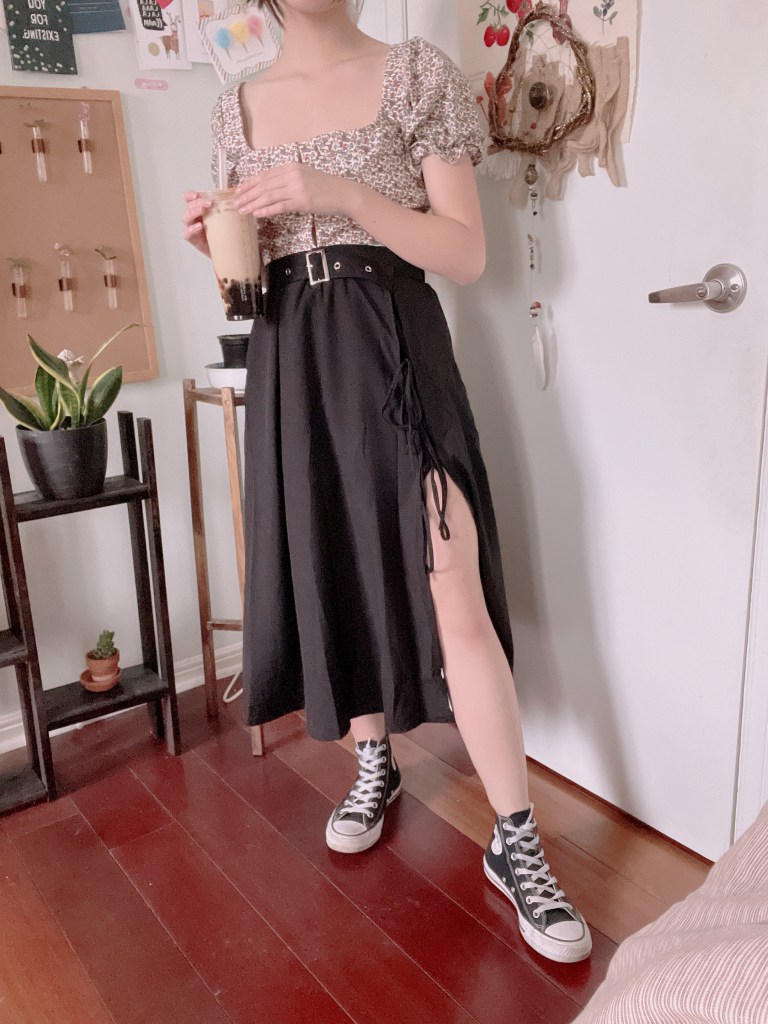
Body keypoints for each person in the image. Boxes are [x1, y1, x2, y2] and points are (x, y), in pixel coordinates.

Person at [183, 0, 591, 964]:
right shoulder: (234, 106)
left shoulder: (415, 73)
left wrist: (344, 193)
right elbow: (244, 291)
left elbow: (466, 252)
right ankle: (375, 761)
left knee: (452, 584)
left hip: (394, 345)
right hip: (292, 356)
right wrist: (215, 249)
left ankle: (517, 840)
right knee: (333, 559)